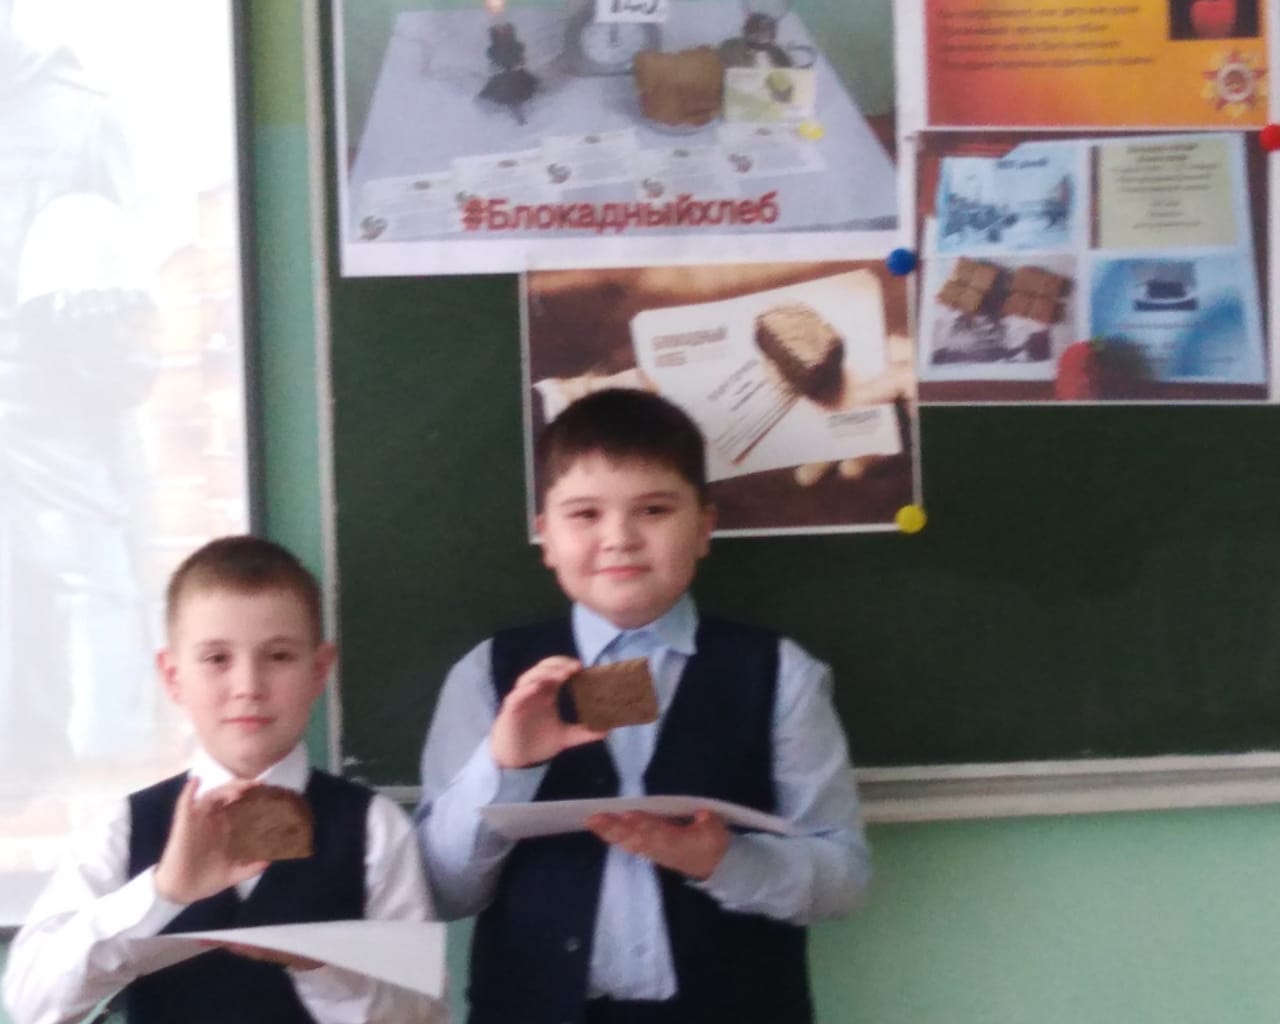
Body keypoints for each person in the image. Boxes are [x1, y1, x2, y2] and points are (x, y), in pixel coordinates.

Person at [417, 388, 869, 1024]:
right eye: (585, 514)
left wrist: (724, 862)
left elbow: (844, 878)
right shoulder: (487, 676)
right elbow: (441, 892)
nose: (620, 538)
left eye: (653, 510)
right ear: (546, 537)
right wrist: (504, 764)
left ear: (704, 528)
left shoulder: (780, 674)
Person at [2, 535, 449, 1024]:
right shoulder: (124, 826)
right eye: (217, 659)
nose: (248, 687)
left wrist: (322, 968)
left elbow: (424, 1016)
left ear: (319, 671)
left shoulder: (375, 828)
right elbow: (32, 1003)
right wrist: (161, 892)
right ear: (173, 676)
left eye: (279, 657)